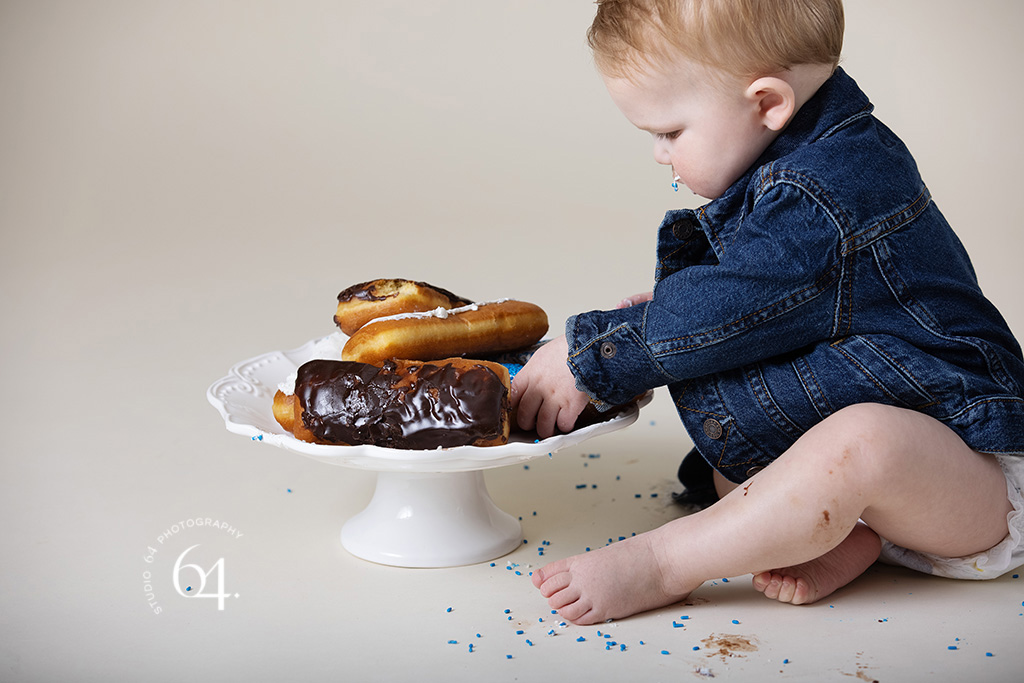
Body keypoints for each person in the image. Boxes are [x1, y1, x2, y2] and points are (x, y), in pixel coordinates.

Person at [509, 0, 1024, 626]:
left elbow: (730, 307)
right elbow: (767, 306)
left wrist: (594, 354)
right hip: (897, 493)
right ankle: (843, 538)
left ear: (766, 104)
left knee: (863, 442)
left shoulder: (822, 193)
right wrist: (677, 316)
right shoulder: (805, 158)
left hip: (976, 476)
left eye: (670, 133)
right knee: (740, 445)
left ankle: (667, 562)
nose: (659, 155)